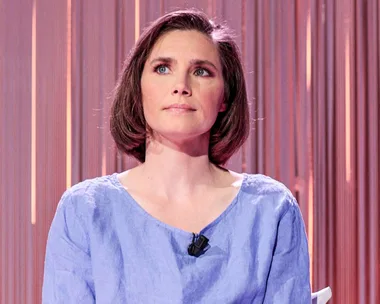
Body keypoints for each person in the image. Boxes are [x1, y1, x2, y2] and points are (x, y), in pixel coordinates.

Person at [42, 9, 311, 303]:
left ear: (224, 97)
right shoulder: (84, 210)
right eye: (162, 68)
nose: (181, 86)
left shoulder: (271, 209)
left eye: (201, 71)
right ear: (138, 88)